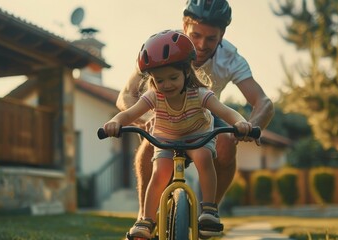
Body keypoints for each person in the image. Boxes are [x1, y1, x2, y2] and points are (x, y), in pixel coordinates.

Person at [116, 0, 275, 230]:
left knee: (228, 141)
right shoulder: (163, 46)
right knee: (148, 145)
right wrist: (142, 120)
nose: (202, 45)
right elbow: (125, 96)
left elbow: (263, 102)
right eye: (196, 35)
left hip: (204, 112)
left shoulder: (230, 57)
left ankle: (209, 212)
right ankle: (144, 218)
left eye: (211, 38)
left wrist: (251, 126)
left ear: (222, 34)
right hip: (165, 112)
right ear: (184, 25)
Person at [103, 30, 254, 239]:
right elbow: (129, 113)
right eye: (160, 80)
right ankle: (146, 220)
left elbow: (226, 111)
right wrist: (115, 122)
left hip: (197, 136)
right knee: (160, 173)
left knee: (203, 157)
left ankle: (209, 210)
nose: (167, 85)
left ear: (187, 72)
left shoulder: (200, 94)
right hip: (166, 138)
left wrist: (241, 123)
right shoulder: (153, 96)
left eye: (173, 77)